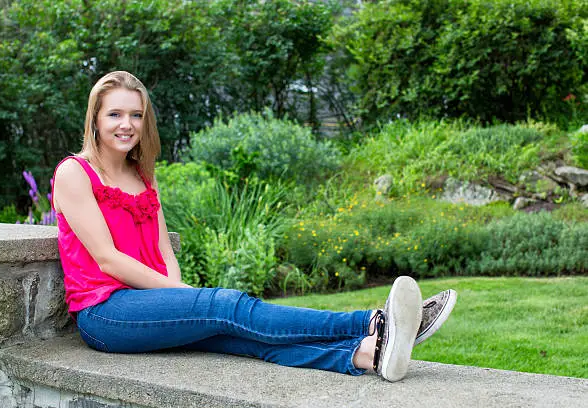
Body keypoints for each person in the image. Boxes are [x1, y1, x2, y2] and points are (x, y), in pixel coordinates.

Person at [52, 71, 457, 382]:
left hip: (150, 304)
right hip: (105, 315)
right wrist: (185, 295)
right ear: (95, 119)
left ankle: (366, 354)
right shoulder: (76, 173)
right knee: (226, 306)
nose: (127, 124)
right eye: (115, 114)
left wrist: (177, 293)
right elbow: (107, 260)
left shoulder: (143, 175)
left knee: (240, 339)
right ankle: (371, 321)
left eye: (136, 115)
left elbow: (163, 254)